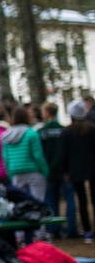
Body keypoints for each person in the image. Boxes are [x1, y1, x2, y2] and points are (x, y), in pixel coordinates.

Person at [37, 102, 77, 238]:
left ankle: (54, 228)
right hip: (64, 171)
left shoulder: (42, 132)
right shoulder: (63, 130)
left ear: (47, 113)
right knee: (69, 198)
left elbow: (39, 153)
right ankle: (71, 228)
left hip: (49, 171)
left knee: (51, 200)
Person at [63, 99, 95, 243]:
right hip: (92, 168)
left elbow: (64, 153)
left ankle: (87, 230)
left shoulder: (67, 132)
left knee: (81, 200)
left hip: (75, 170)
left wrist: (65, 170)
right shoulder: (92, 129)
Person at [1, 105, 49, 201]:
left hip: (16, 172)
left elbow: (5, 158)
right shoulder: (31, 134)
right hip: (34, 171)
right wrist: (45, 171)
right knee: (38, 202)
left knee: (20, 204)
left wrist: (10, 174)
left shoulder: (6, 137)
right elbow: (38, 155)